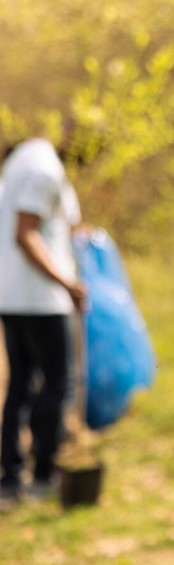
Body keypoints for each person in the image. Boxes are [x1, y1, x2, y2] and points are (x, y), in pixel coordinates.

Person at [0, 135, 86, 506]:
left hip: (11, 295)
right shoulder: (44, 170)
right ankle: (43, 475)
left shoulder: (18, 163)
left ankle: (9, 480)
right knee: (56, 384)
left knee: (20, 385)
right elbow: (26, 234)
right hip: (42, 300)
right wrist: (68, 284)